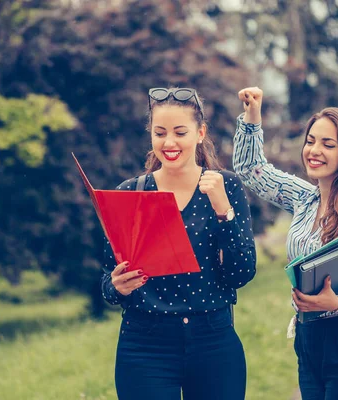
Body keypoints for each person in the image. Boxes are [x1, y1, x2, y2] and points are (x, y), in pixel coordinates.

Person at [233, 87, 338, 400]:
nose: (314, 150)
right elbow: (251, 170)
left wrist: (337, 304)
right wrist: (252, 117)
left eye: (327, 144)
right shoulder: (303, 198)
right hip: (311, 344)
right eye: (310, 141)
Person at [101, 87, 257, 400]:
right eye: (159, 133)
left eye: (179, 132)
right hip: (144, 346)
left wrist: (224, 212)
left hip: (213, 342)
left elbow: (241, 274)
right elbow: (107, 283)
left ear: (200, 133)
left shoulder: (226, 186)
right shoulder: (131, 193)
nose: (169, 143)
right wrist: (117, 285)